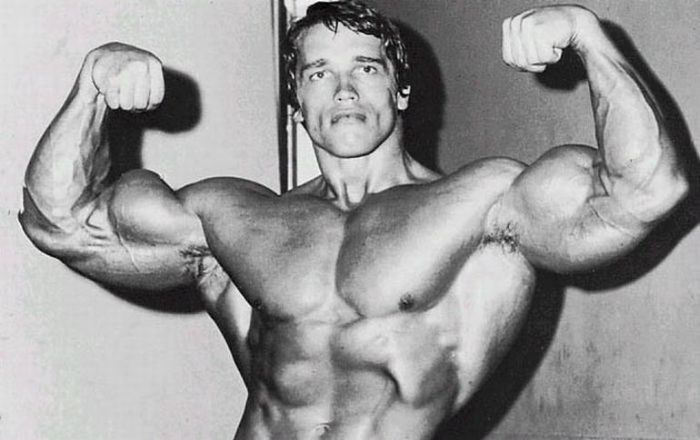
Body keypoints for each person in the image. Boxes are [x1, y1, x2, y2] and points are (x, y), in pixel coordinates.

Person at [19, 1, 687, 438]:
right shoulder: (233, 216)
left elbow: (647, 189)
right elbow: (61, 222)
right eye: (317, 73)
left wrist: (589, 37)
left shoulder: (484, 204)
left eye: (366, 67)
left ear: (401, 89)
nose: (342, 89)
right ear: (295, 103)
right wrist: (92, 84)